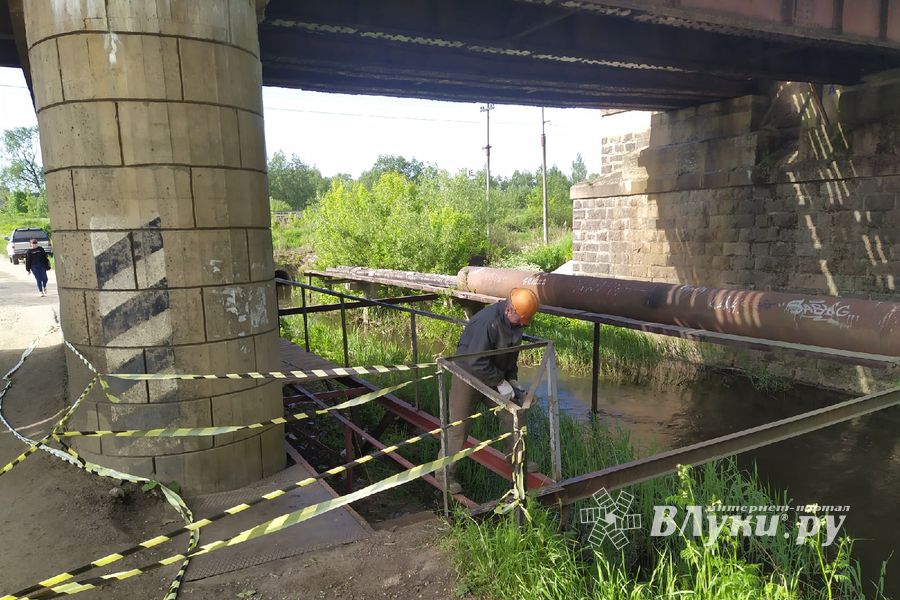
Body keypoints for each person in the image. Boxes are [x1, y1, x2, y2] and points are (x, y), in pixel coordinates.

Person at [444, 287, 540, 495]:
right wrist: (500, 382)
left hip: (494, 375)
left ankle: (515, 459)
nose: (525, 324)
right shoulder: (486, 323)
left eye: (527, 320)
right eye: (523, 319)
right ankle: (445, 476)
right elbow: (475, 360)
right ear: (509, 310)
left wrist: (512, 379)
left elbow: (510, 354)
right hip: (467, 375)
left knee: (514, 415)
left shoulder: (516, 321)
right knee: (459, 429)